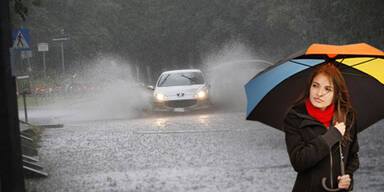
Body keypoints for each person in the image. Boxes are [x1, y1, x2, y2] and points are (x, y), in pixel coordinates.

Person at [284, 63, 359, 192]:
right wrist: (331, 136)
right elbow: (299, 161)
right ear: (309, 87)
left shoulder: (348, 116)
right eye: (315, 86)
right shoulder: (295, 117)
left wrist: (348, 179)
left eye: (327, 89)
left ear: (336, 93)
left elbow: (353, 156)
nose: (319, 93)